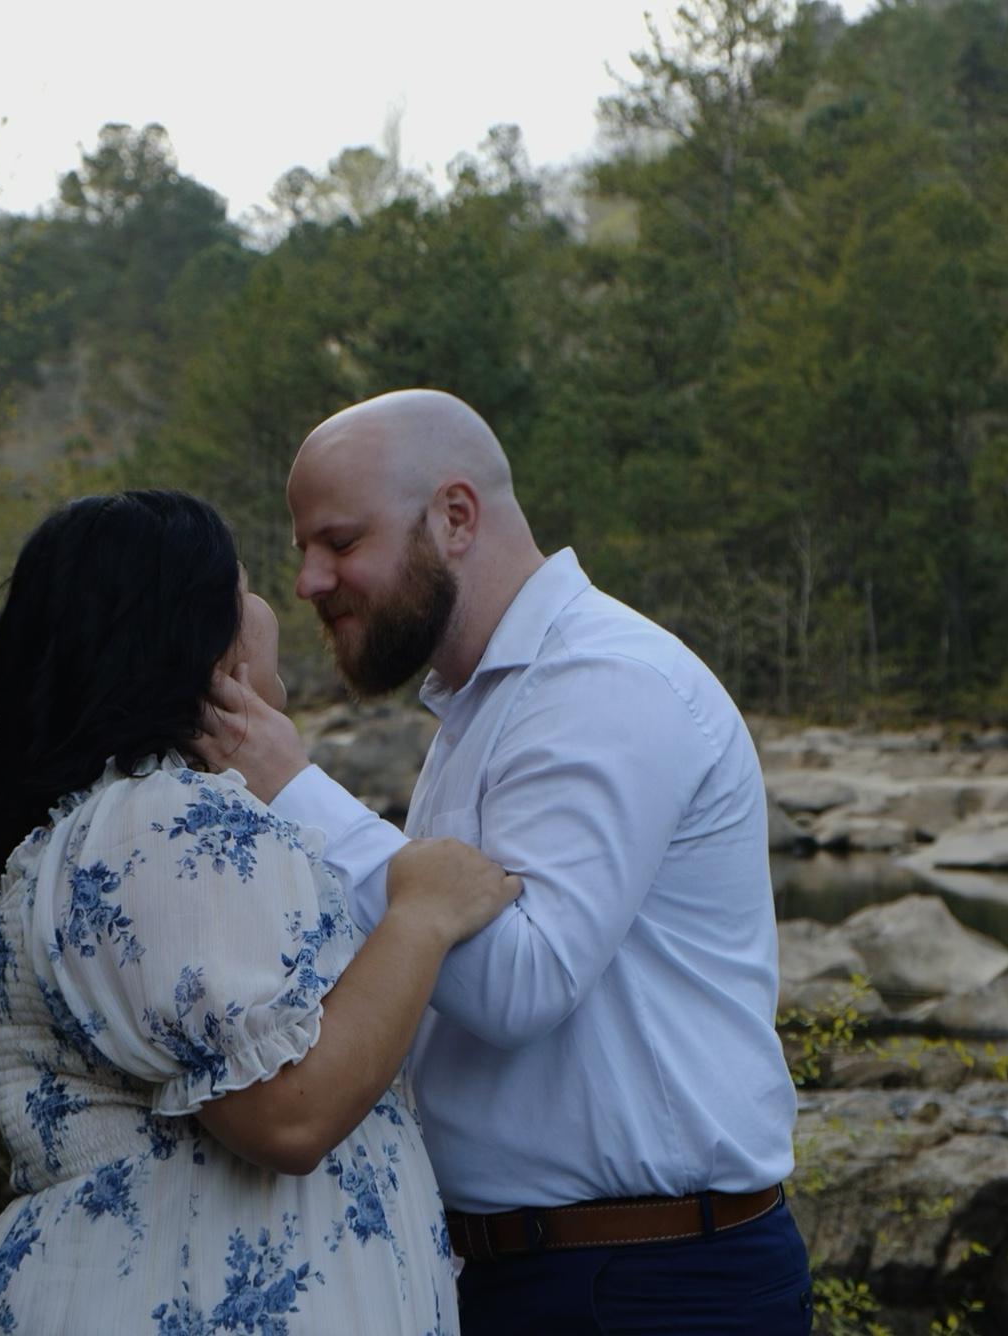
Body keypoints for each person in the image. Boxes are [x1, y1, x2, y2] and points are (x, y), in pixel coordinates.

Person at [198, 390, 813, 1335]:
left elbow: (523, 983)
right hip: (542, 1271)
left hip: (648, 1285)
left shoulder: (605, 684)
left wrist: (292, 789)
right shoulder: (490, 701)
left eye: (341, 541)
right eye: (303, 549)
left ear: (455, 517)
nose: (311, 580)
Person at [0, 489, 520, 1334]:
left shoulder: (101, 826)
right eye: (246, 588)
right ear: (200, 639)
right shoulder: (165, 822)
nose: (275, 605)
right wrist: (421, 916)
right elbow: (287, 1114)